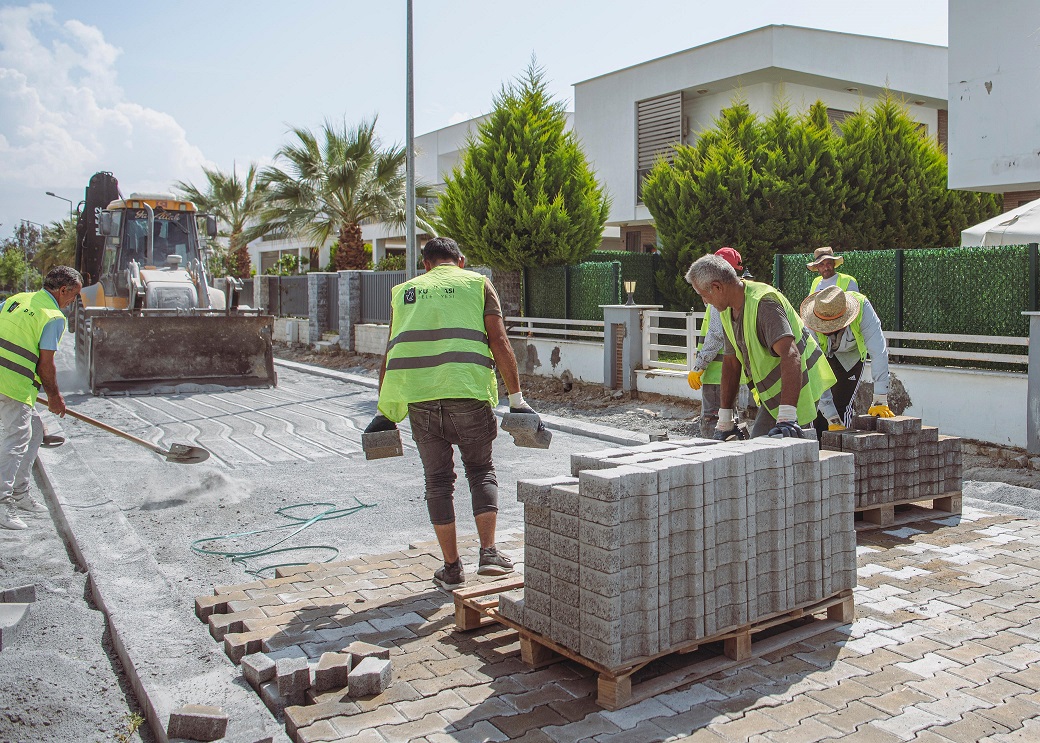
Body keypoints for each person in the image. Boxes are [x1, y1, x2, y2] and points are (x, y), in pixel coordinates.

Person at [366, 237, 540, 589]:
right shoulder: (477, 283)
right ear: (460, 261)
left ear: (426, 265)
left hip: (421, 400)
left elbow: (392, 351)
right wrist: (517, 400)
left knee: (438, 482)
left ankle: (451, 567)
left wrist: (385, 410)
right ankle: (489, 553)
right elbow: (499, 341)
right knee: (480, 470)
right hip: (469, 393)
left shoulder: (404, 292)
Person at [685, 255, 835, 439]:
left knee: (793, 449)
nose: (705, 301)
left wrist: (787, 416)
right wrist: (725, 421)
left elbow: (791, 355)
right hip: (775, 392)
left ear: (717, 287)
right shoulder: (726, 311)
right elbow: (731, 363)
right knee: (760, 446)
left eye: (703, 295)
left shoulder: (764, 303)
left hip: (801, 385)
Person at [0, 266, 82, 530]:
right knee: (16, 442)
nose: (72, 302)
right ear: (63, 290)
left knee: (35, 431)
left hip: (6, 379)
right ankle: (2, 505)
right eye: (73, 296)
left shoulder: (16, 300)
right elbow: (46, 365)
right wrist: (55, 397)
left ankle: (20, 494)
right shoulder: (53, 317)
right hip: (12, 385)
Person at [801, 286, 894, 435]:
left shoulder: (863, 309)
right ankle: (819, 451)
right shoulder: (810, 324)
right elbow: (816, 370)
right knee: (818, 410)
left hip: (851, 357)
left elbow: (879, 352)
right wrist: (831, 418)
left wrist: (880, 397)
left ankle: (843, 450)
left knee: (841, 405)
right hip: (824, 355)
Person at [687, 247, 745, 438]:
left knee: (714, 422)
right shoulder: (735, 297)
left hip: (716, 375)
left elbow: (715, 334)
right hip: (730, 374)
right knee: (729, 420)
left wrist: (699, 366)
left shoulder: (718, 302)